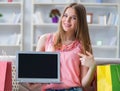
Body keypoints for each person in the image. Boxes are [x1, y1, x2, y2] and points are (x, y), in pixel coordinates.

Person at [26, 2, 96, 91]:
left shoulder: (83, 46)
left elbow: (84, 84)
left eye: (74, 18)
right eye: (65, 16)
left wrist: (92, 67)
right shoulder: (45, 39)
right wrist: (33, 80)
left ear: (80, 22)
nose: (67, 20)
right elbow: (37, 71)